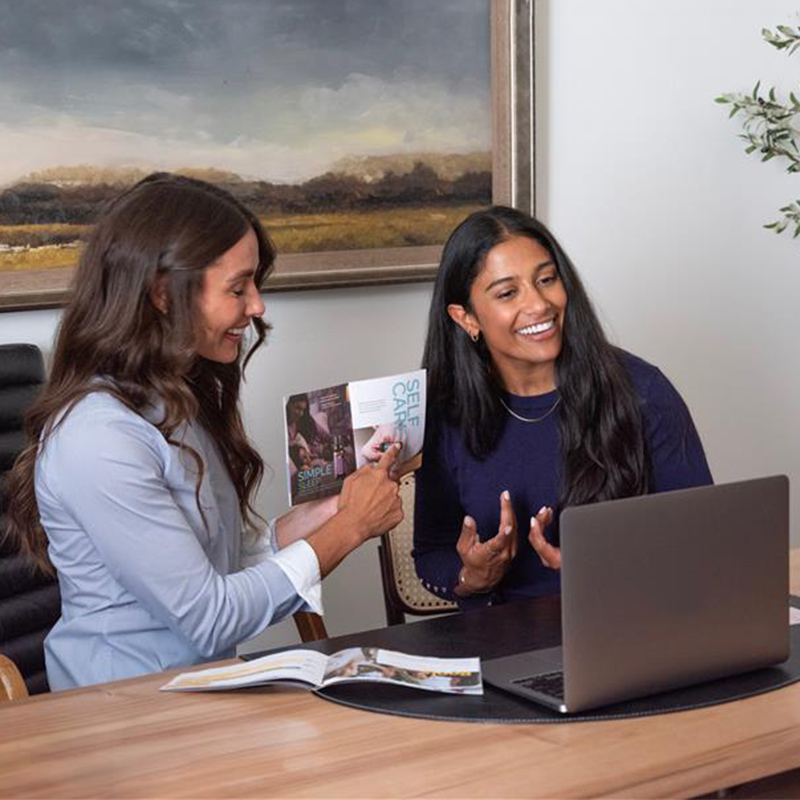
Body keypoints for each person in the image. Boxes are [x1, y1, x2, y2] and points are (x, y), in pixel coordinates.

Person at [4, 172, 403, 690]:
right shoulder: (98, 439)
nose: (257, 306)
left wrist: (337, 508)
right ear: (164, 295)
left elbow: (225, 559)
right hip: (118, 718)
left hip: (201, 696)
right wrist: (348, 529)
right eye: (238, 288)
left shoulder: (174, 401)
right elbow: (209, 615)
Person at [413, 206, 712, 608]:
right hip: (498, 650)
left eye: (546, 279)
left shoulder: (643, 392)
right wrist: (471, 577)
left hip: (627, 629)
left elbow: (702, 540)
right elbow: (432, 553)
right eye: (507, 292)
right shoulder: (445, 414)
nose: (539, 304)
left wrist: (603, 571)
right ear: (466, 318)